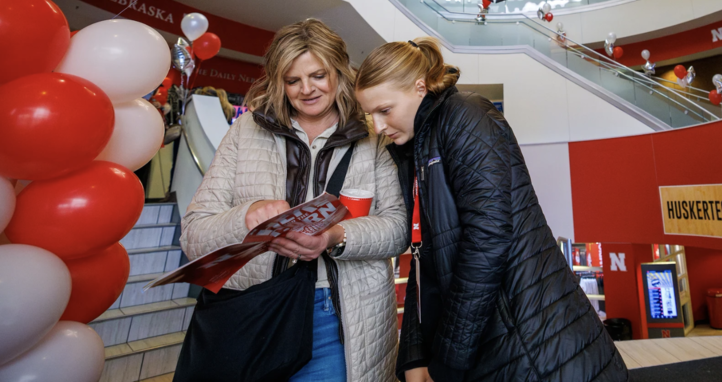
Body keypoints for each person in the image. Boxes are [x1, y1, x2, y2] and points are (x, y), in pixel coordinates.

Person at [355, 37, 629, 382]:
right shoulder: (417, 147)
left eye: (385, 110)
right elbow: (425, 256)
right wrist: (414, 354)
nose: (378, 127)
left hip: (531, 342)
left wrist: (449, 359)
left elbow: (487, 240)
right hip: (491, 343)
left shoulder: (466, 116)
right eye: (370, 115)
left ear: (419, 88)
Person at [181, 19, 408, 382]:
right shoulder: (246, 130)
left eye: (318, 75)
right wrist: (247, 216)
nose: (306, 90)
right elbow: (193, 234)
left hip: (337, 317)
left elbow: (397, 229)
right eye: (292, 80)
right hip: (252, 311)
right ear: (278, 82)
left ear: (339, 70)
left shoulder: (373, 135)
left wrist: (335, 236)